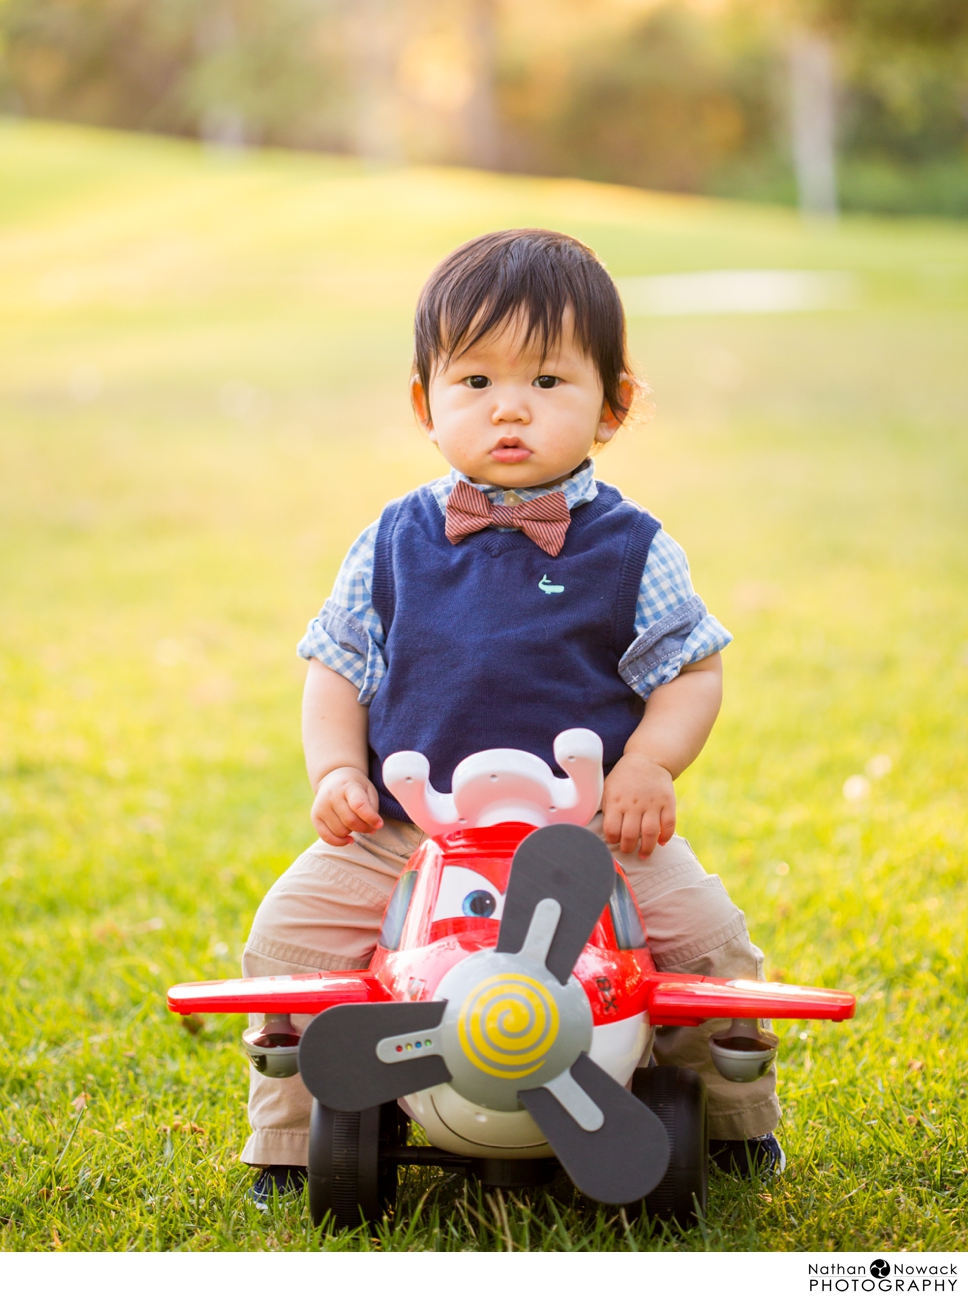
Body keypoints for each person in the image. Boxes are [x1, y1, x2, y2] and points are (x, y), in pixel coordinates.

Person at [243, 228, 783, 1207]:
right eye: (475, 382)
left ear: (613, 405)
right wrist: (334, 771)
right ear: (424, 402)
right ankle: (290, 1136)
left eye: (545, 380)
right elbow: (333, 669)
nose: (508, 409)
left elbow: (690, 670)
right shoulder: (389, 541)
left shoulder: (633, 546)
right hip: (409, 829)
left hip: (587, 831)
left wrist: (649, 767)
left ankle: (734, 1114)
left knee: (707, 942)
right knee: (285, 941)